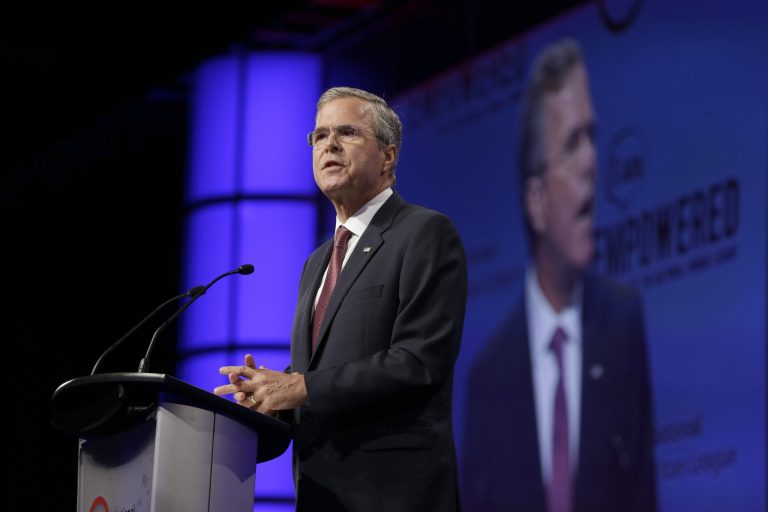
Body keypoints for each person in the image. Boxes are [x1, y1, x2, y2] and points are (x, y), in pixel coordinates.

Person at [214, 86, 468, 511]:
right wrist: (270, 401)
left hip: (395, 495)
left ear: (388, 156)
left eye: (347, 133)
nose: (328, 145)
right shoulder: (317, 262)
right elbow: (324, 371)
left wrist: (300, 386)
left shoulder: (423, 233)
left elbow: (419, 363)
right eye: (319, 136)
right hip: (320, 494)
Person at [462, 39, 657, 511]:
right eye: (573, 144)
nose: (592, 161)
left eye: (592, 137)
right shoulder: (490, 377)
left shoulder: (622, 324)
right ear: (537, 201)